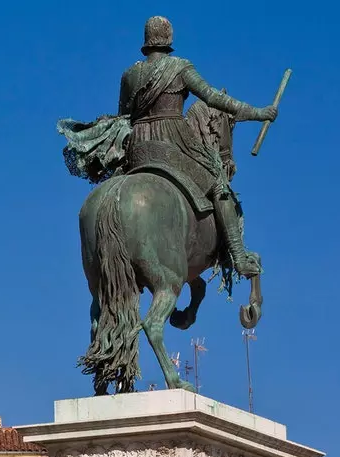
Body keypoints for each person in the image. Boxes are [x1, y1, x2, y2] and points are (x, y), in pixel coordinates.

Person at [61, 17, 277, 278]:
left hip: (138, 147)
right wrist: (258, 112)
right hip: (173, 142)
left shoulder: (130, 74)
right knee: (219, 185)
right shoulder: (180, 67)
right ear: (168, 39)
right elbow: (213, 98)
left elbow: (124, 116)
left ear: (146, 41)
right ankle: (239, 256)